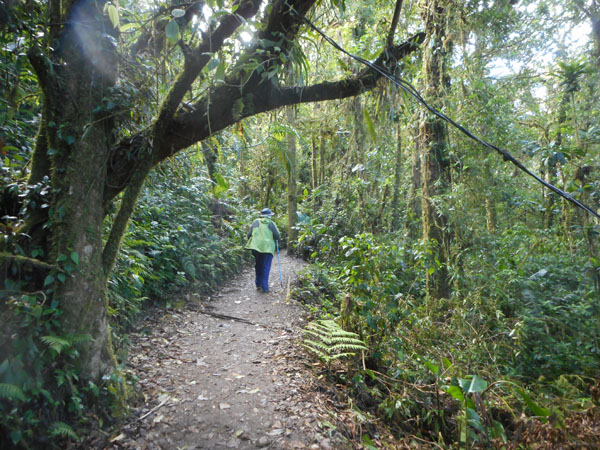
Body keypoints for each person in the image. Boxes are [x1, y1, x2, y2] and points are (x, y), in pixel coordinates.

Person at [246, 208, 280, 293]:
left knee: (258, 265)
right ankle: (265, 287)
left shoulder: (256, 222)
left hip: (256, 247)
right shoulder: (271, 224)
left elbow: (249, 234)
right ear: (269, 216)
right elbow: (277, 236)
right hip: (267, 248)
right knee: (265, 267)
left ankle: (258, 284)